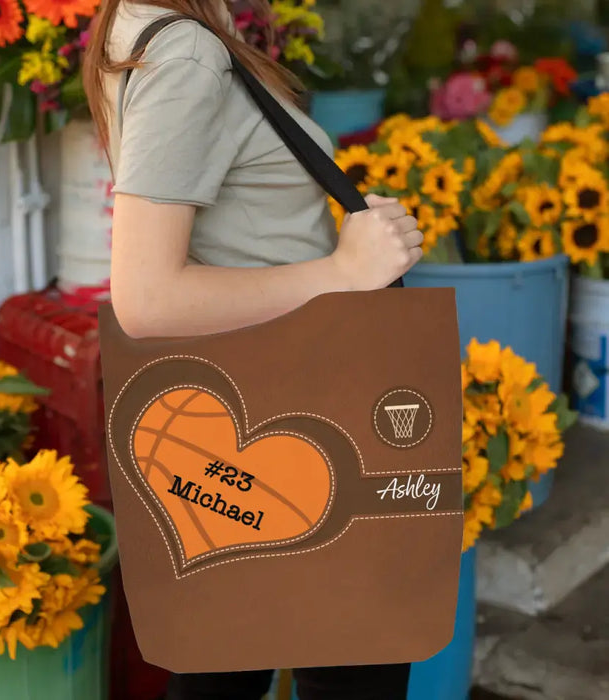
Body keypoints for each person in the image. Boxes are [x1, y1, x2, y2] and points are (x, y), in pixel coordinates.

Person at [84, 2, 423, 698]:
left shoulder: (155, 28)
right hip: (298, 419)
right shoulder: (186, 53)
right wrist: (343, 273)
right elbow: (145, 299)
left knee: (228, 666)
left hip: (253, 419)